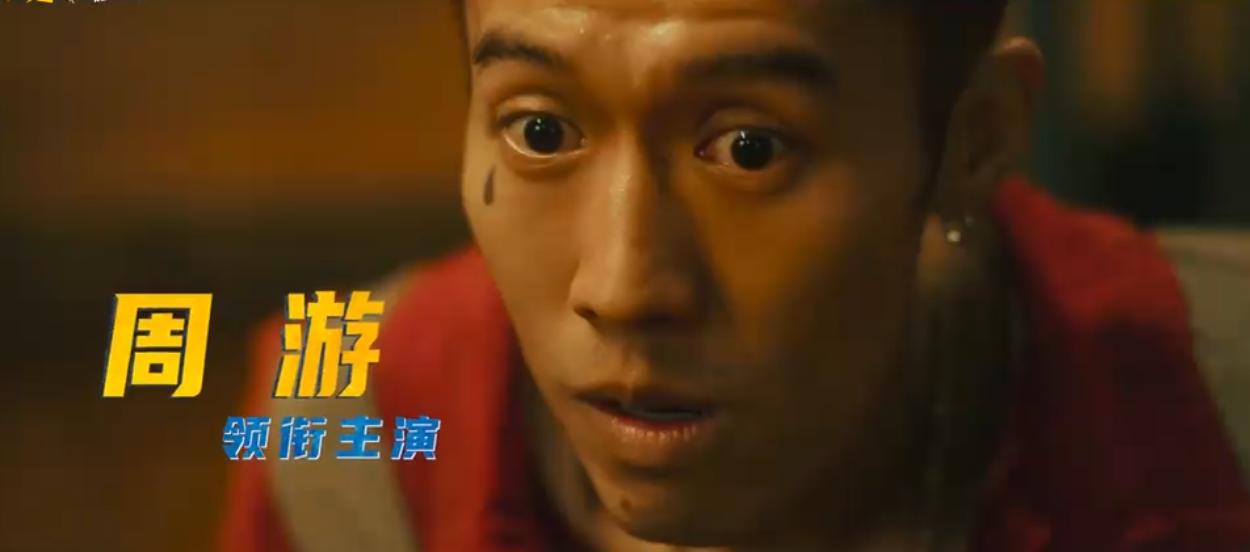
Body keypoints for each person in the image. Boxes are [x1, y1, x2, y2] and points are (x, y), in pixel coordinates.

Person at [219, 1, 1250, 550]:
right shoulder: (356, 440)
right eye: (539, 130)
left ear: (971, 140)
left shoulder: (1209, 411)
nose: (624, 287)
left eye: (751, 150)